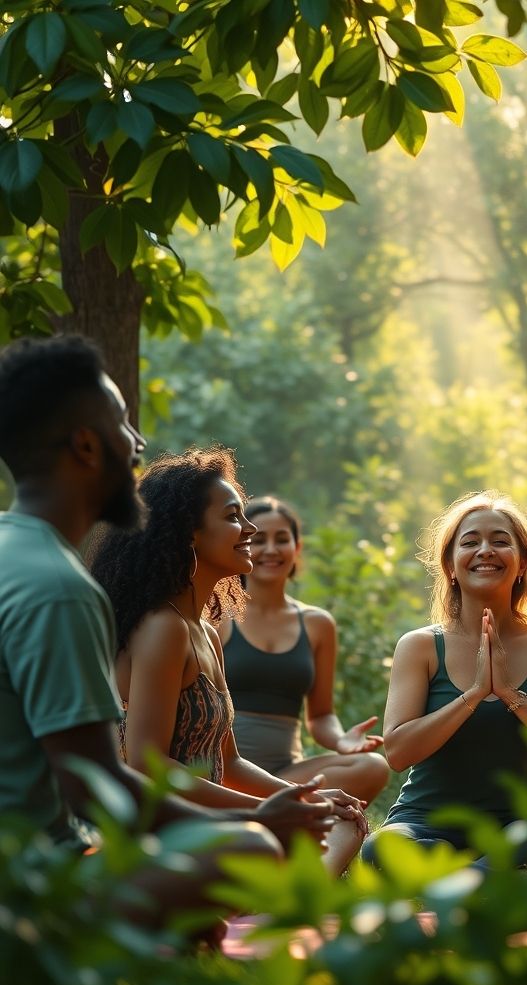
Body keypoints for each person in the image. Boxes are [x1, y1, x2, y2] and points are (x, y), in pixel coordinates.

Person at [0, 336, 337, 932]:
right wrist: (256, 821)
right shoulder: (60, 587)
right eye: (123, 424)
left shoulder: (21, 556)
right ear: (84, 444)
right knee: (253, 849)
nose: (137, 445)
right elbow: (96, 787)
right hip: (36, 881)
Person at [89, 448, 366, 877]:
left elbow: (228, 761)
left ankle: (282, 896)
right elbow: (146, 762)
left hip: (216, 827)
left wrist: (304, 799)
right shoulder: (164, 628)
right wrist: (266, 813)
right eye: (235, 516)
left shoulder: (202, 629)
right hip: (163, 831)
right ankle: (281, 899)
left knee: (343, 822)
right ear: (189, 532)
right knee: (268, 844)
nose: (250, 528)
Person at [361, 491, 527, 873]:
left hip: (516, 827)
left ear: (522, 564)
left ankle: (476, 871)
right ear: (450, 565)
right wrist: (474, 694)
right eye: (470, 542)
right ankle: (517, 869)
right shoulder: (420, 646)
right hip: (427, 825)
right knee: (380, 848)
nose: (485, 550)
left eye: (500, 542)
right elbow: (398, 752)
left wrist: (512, 697)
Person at [218, 496, 389, 805]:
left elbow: (321, 715)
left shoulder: (317, 624)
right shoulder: (217, 618)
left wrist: (341, 740)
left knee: (373, 767)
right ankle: (264, 803)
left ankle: (274, 801)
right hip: (224, 771)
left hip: (286, 772)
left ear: (296, 549)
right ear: (242, 545)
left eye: (282, 539)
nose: (270, 549)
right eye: (259, 539)